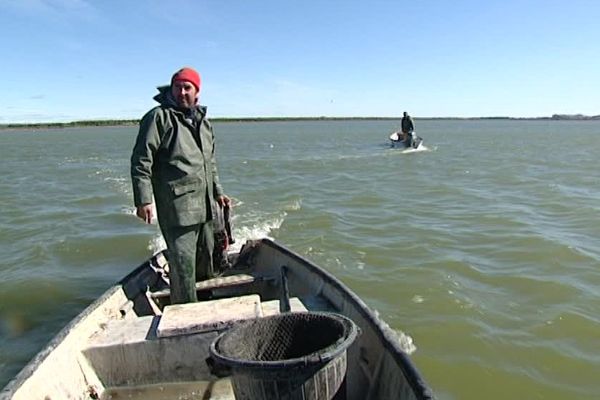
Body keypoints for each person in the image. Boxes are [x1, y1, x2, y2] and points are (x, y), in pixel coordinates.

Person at [131, 67, 231, 304]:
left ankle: (206, 302)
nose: (182, 92)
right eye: (178, 87)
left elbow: (210, 162)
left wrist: (218, 192)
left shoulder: (204, 123)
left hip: (206, 206)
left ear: (197, 92)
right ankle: (186, 312)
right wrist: (143, 200)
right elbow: (141, 160)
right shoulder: (158, 118)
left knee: (207, 261)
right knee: (184, 268)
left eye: (188, 87)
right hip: (177, 209)